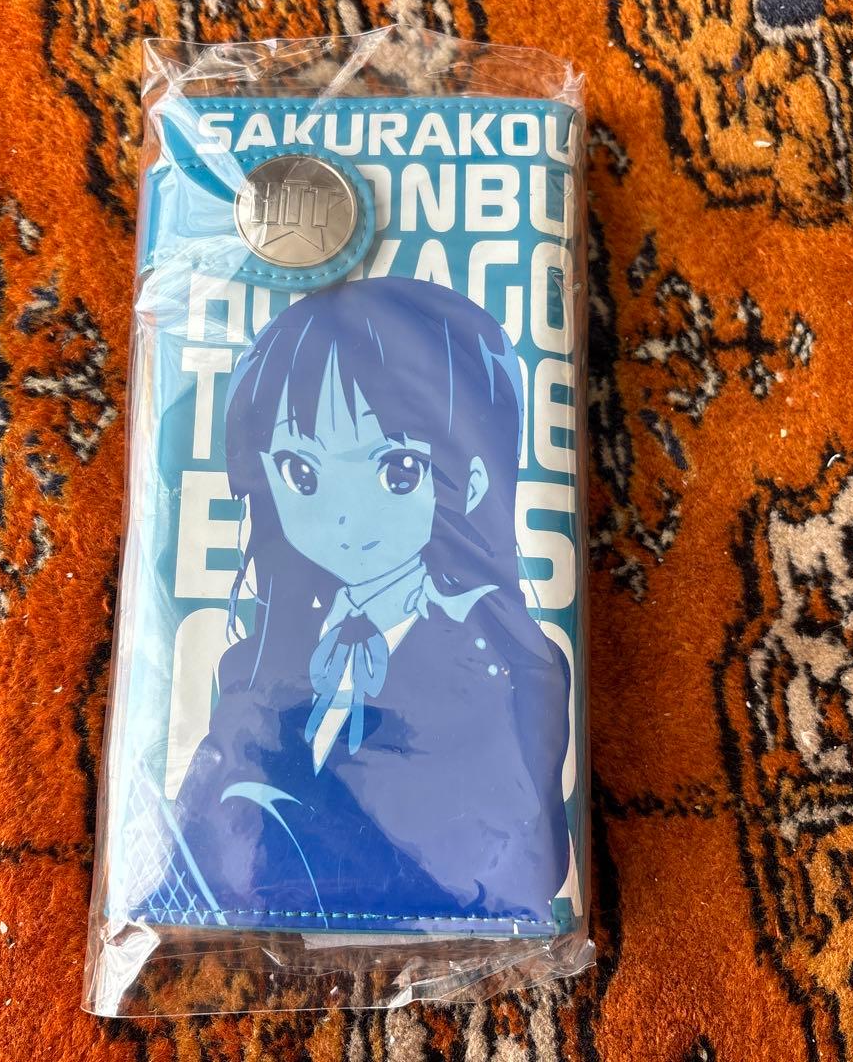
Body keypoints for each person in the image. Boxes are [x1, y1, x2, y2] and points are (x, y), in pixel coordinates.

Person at [152, 277, 570, 932]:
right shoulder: (257, 661)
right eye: (302, 473)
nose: (345, 516)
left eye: (397, 470)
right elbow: (197, 840)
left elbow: (517, 856)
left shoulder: (509, 662)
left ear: (474, 480)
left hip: (450, 928)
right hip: (255, 927)